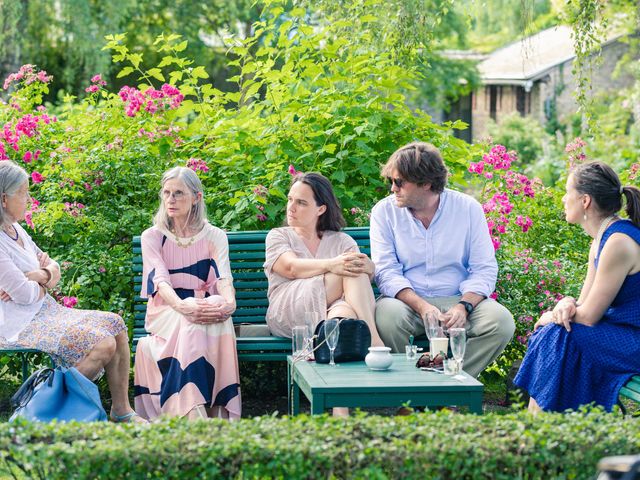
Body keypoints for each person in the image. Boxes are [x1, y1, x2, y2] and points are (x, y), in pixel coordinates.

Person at [0, 161, 143, 423]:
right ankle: (41, 412)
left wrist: (40, 276)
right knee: (103, 343)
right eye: (23, 192)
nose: (29, 198)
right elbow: (22, 295)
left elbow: (51, 265)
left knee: (116, 324)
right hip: (17, 324)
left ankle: (121, 411)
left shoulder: (16, 229)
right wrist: (43, 282)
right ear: (4, 198)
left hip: (46, 311)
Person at [370, 142, 515, 378]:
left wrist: (464, 306)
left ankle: (453, 381)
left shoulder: (468, 209)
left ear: (425, 183)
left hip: (457, 298)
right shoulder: (384, 212)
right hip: (408, 302)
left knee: (501, 322)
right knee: (386, 316)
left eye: (399, 182)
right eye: (391, 181)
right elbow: (386, 271)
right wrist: (422, 307)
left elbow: (484, 268)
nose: (392, 188)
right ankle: (411, 388)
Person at [514, 161, 640, 413]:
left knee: (555, 332)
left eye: (567, 191)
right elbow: (582, 308)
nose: (563, 198)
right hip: (619, 334)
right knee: (556, 333)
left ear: (585, 201)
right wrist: (566, 303)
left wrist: (552, 316)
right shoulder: (601, 239)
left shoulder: (618, 242)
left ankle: (539, 426)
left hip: (633, 341)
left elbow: (589, 318)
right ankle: (548, 426)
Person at [134, 167, 241, 420]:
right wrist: (183, 307)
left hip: (201, 303)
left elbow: (223, 276)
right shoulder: (152, 236)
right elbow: (160, 282)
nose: (171, 199)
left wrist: (229, 302)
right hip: (166, 307)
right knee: (193, 316)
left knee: (218, 310)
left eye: (179, 193)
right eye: (167, 193)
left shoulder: (215, 235)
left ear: (196, 198)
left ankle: (218, 411)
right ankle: (191, 412)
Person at [264, 172, 384, 345]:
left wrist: (370, 268)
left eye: (301, 203)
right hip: (289, 309)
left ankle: (338, 355)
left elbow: (361, 282)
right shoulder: (278, 236)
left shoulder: (342, 241)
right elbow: (291, 268)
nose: (291, 207)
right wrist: (332, 265)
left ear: (321, 209)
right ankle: (374, 342)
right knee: (348, 268)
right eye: (290, 199)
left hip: (331, 309)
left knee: (343, 317)